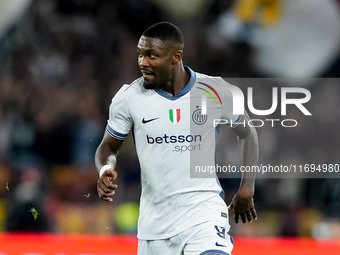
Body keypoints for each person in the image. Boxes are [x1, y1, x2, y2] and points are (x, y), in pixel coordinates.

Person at [95, 21, 258, 255]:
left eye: (151, 55)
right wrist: (104, 169)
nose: (143, 62)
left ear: (176, 56)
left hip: (204, 215)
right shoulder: (128, 98)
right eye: (140, 55)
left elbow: (247, 132)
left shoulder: (215, 90)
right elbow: (108, 145)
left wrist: (247, 188)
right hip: (155, 228)